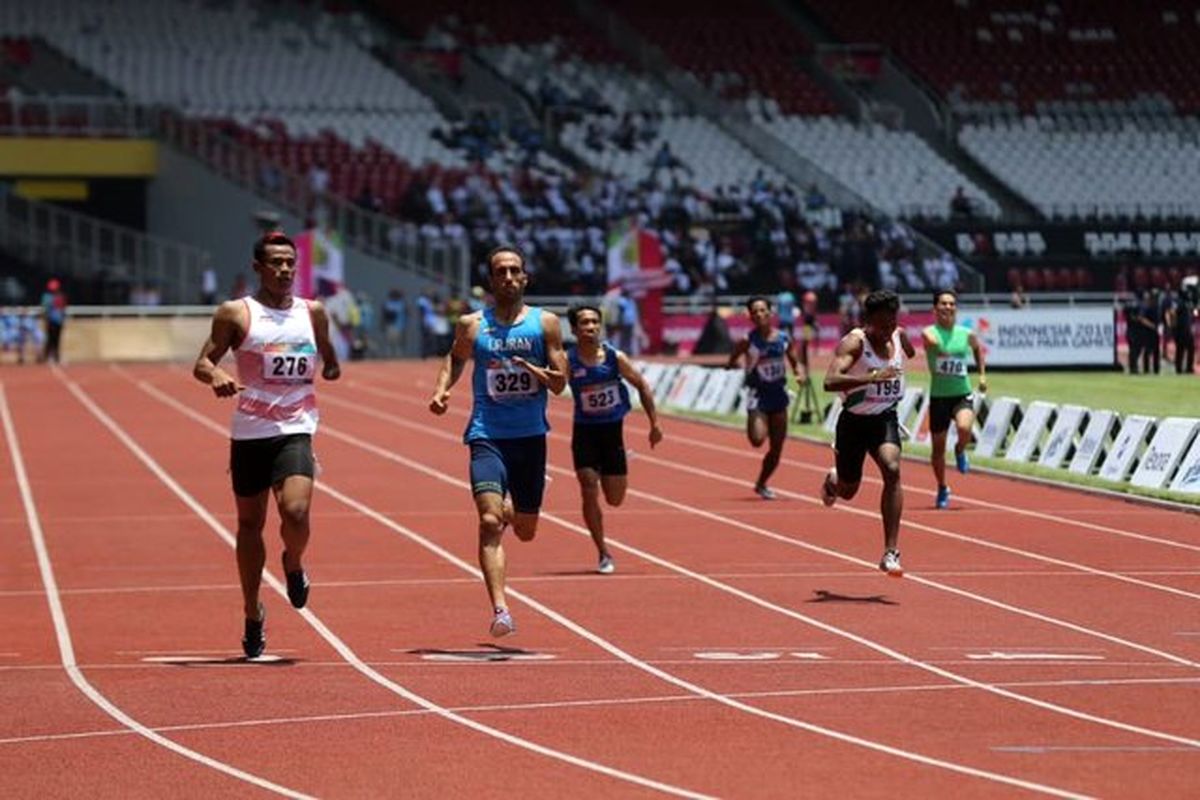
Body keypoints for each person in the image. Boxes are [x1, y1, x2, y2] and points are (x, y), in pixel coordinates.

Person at [192, 231, 341, 658]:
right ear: (258, 268)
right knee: (249, 526)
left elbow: (329, 356)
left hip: (296, 428)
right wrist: (216, 375)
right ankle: (252, 611)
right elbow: (203, 362)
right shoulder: (236, 314)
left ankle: (293, 562)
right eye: (275, 263)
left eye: (290, 263)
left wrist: (329, 367)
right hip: (249, 432)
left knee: (295, 511)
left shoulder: (313, 313)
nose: (284, 270)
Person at [428, 245, 568, 637]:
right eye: (500, 271)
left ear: (525, 278)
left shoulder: (546, 325)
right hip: (487, 433)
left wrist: (538, 371)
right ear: (491, 280)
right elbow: (456, 358)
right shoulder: (473, 325)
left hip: (531, 438)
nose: (508, 277)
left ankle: (525, 494)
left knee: (525, 530)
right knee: (489, 521)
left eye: (514, 271)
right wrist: (443, 390)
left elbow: (561, 384)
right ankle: (501, 609)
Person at [820, 289, 915, 577]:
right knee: (849, 490)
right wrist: (872, 377)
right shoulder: (854, 343)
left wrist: (906, 352)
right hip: (853, 422)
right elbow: (829, 381)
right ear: (868, 321)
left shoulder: (898, 335)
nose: (887, 332)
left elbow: (908, 350)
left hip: (884, 418)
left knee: (892, 468)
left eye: (891, 324)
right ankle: (834, 481)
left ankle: (890, 552)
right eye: (882, 326)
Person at [565, 303, 663, 574]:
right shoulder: (568, 361)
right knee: (588, 486)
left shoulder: (614, 357)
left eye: (595, 322)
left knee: (615, 498)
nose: (591, 327)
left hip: (612, 434)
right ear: (574, 329)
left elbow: (641, 384)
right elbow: (554, 385)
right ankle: (603, 552)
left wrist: (654, 423)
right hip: (584, 433)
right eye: (584, 323)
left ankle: (620, 462)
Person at [727, 296, 803, 499]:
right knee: (757, 440)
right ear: (750, 316)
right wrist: (736, 367)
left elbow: (795, 361)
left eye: (763, 310)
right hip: (758, 395)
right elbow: (732, 359)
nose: (759, 314)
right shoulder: (747, 340)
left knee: (776, 448)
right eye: (755, 311)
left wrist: (799, 374)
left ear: (770, 313)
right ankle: (759, 421)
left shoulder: (783, 338)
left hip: (779, 394)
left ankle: (761, 483)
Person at [922, 289, 987, 509]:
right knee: (938, 450)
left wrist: (982, 374)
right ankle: (942, 487)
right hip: (939, 396)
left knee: (965, 428)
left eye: (951, 304)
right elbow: (930, 342)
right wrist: (940, 347)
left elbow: (978, 350)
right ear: (935, 309)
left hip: (961, 392)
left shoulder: (966, 333)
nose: (948, 307)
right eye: (943, 304)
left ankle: (960, 449)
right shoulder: (929, 332)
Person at [39, 278, 67, 363]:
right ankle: (47, 356)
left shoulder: (61, 296)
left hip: (58, 320)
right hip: (51, 320)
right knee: (50, 339)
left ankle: (56, 355)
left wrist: (62, 318)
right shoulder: (47, 297)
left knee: (57, 339)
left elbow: (63, 308)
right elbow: (45, 308)